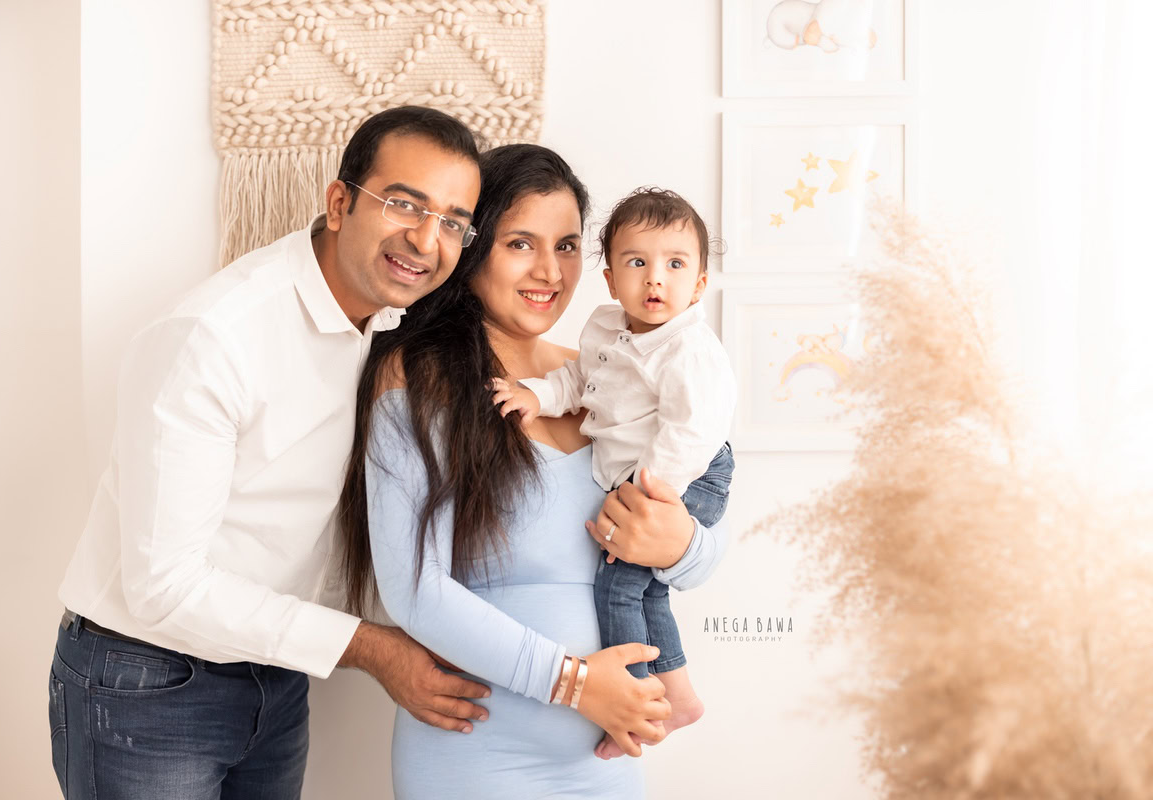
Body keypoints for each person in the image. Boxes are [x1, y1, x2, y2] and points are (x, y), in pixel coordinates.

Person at [49, 106, 492, 799]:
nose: (426, 239)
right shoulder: (214, 336)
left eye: (453, 222)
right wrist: (374, 649)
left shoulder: (392, 331)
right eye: (404, 204)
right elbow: (164, 588)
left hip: (273, 677)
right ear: (339, 202)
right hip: (145, 681)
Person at [340, 146, 730, 799]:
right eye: (521, 243)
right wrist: (576, 683)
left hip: (604, 761)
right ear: (473, 249)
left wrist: (682, 546)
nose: (550, 271)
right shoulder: (417, 378)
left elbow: (702, 559)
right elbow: (414, 591)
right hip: (476, 754)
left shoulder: (610, 374)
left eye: (569, 245)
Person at [490, 187, 737, 759]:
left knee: (621, 583)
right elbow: (582, 383)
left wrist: (652, 496)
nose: (656, 280)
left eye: (676, 265)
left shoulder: (689, 351)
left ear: (700, 283)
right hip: (646, 475)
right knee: (644, 588)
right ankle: (676, 694)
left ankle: (637, 697)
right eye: (637, 263)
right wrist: (537, 395)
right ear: (610, 280)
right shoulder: (606, 332)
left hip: (687, 472)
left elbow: (694, 432)